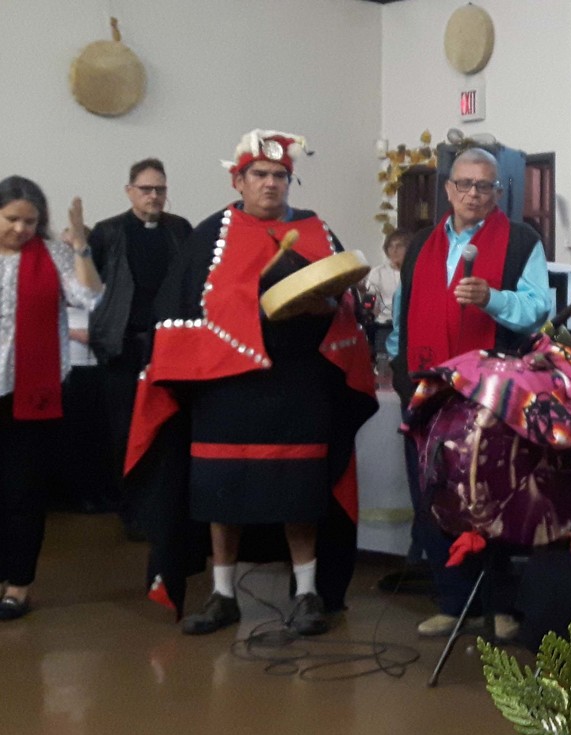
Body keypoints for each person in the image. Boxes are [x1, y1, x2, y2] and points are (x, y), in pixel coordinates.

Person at [124, 129, 377, 636]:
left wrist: (328, 306)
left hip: (299, 383)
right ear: (238, 180)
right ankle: (223, 595)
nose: (270, 183)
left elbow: (348, 304)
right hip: (226, 386)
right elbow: (179, 310)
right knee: (222, 492)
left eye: (279, 175)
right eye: (259, 174)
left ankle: (307, 592)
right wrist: (246, 313)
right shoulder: (209, 236)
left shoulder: (316, 230)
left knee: (301, 493)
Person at [390, 147, 551, 638]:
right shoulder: (421, 243)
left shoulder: (521, 241)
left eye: (485, 186)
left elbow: (538, 309)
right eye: (464, 184)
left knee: (492, 497)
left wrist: (492, 299)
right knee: (433, 497)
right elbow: (402, 312)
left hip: (491, 393)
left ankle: (499, 605)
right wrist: (400, 371)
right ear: (448, 189)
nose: (473, 194)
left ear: (498, 192)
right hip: (426, 390)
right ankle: (452, 601)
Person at [0, 176, 103, 620]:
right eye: (12, 219)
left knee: (22, 492)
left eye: (30, 221)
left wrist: (80, 247)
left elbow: (90, 298)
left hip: (30, 389)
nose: (21, 229)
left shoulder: (52, 254)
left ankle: (18, 585)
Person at [87, 159, 192, 540]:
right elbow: (90, 288)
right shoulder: (108, 232)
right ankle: (131, 510)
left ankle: (165, 509)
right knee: (125, 431)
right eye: (146, 189)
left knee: (168, 429)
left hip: (169, 348)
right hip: (124, 347)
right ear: (129, 191)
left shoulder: (180, 230)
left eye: (160, 189)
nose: (154, 196)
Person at [363, 228, 411, 356]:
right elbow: (371, 302)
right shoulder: (378, 273)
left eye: (399, 246)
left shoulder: (415, 271)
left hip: (410, 328)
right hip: (385, 327)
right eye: (390, 246)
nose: (394, 250)